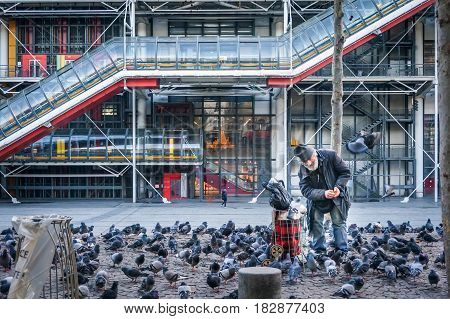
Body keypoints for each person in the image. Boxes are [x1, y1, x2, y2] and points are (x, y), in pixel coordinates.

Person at [295, 144, 351, 253]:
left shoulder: (331, 156)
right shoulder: (303, 168)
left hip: (336, 196)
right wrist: (323, 194)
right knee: (316, 223)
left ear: (314, 155)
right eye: (305, 164)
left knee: (338, 222)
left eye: (309, 162)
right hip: (317, 199)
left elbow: (345, 172)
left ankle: (342, 250)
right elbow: (305, 190)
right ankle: (319, 250)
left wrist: (338, 187)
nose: (308, 165)